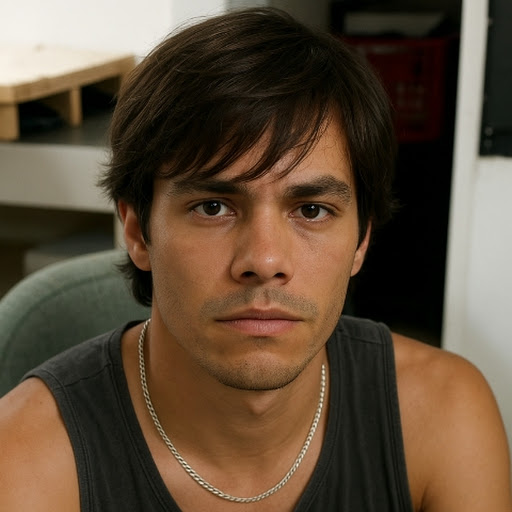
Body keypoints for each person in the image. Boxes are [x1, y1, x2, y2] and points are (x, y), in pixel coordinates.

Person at [0, 7, 511, 511]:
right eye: (213, 207)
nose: (265, 260)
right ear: (137, 231)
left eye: (311, 210)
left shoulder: (442, 415)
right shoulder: (24, 460)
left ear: (361, 240)